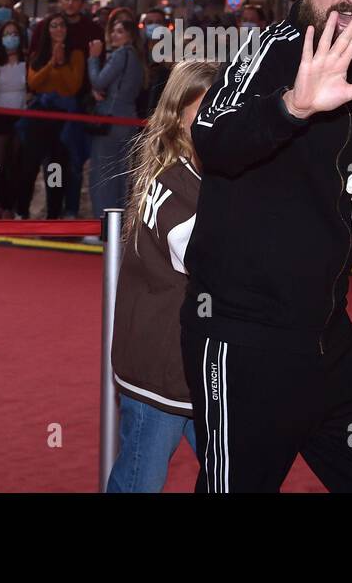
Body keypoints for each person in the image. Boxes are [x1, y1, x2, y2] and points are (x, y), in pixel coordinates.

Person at [182, 0, 352, 493]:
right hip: (245, 339)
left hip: (329, 340)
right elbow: (214, 140)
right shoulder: (276, 47)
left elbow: (317, 188)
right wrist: (293, 106)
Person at [107, 60, 219, 492]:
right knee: (139, 481)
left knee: (232, 471)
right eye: (206, 107)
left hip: (193, 364)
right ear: (178, 115)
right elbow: (210, 261)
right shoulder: (174, 184)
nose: (219, 116)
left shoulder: (196, 173)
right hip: (162, 368)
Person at [18, 13, 84, 219]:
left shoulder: (76, 55)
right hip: (38, 117)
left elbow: (73, 86)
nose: (58, 29)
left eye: (61, 25)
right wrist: (51, 64)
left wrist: (62, 63)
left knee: (56, 169)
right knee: (29, 165)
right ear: (47, 30)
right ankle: (21, 212)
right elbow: (34, 82)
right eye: (53, 26)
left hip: (62, 120)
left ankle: (53, 215)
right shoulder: (38, 54)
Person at [87, 16, 145, 216]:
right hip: (129, 120)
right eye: (113, 30)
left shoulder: (121, 54)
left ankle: (102, 226)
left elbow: (99, 81)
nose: (113, 34)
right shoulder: (138, 58)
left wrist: (93, 58)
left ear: (130, 35)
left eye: (119, 31)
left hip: (111, 120)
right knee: (121, 175)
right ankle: (117, 226)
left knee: (103, 173)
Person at [0, 20, 28, 219]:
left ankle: (12, 206)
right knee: (0, 162)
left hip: (21, 115)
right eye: (6, 34)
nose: (10, 37)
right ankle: (0, 204)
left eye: (14, 34)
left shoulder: (28, 62)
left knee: (16, 162)